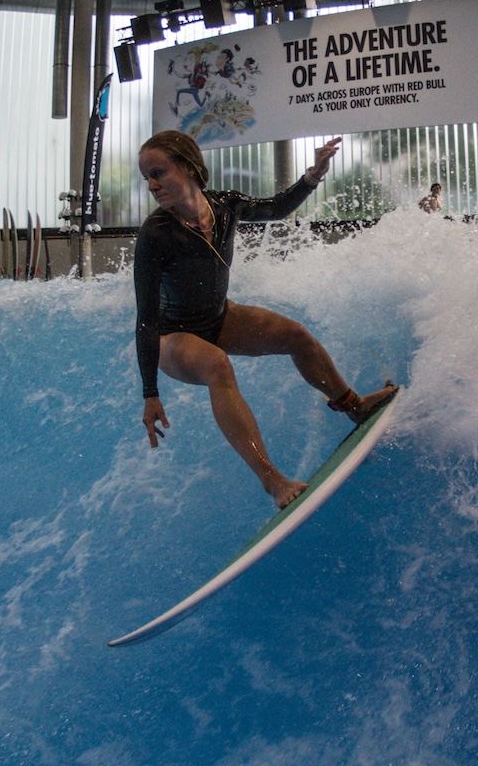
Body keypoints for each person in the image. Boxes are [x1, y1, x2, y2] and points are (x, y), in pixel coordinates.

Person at [134, 130, 397, 510]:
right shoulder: (155, 235)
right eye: (146, 178)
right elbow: (145, 320)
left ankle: (353, 405)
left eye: (159, 172)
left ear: (189, 167)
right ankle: (272, 481)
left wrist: (313, 175)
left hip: (218, 317)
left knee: (295, 334)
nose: (152, 185)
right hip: (172, 337)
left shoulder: (225, 205)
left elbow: (277, 208)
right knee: (216, 364)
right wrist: (150, 393)